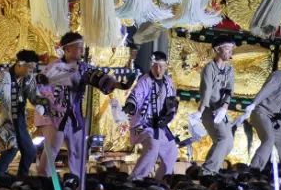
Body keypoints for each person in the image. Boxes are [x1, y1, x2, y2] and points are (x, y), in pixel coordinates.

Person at [36, 32, 116, 178]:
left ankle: (77, 182)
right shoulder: (54, 67)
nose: (81, 50)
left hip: (74, 116)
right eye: (78, 47)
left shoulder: (83, 67)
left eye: (82, 47)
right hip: (55, 117)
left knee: (79, 150)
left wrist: (112, 82)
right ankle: (42, 181)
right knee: (52, 148)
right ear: (67, 49)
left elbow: (97, 76)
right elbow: (41, 88)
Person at [0, 50, 48, 176]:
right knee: (11, 148)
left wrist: (43, 104)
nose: (31, 71)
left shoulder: (29, 78)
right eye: (29, 68)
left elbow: (33, 96)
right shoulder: (3, 76)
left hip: (20, 120)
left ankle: (21, 180)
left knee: (30, 151)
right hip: (3, 120)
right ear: (20, 64)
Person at [124, 52, 179, 180]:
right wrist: (130, 106)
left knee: (172, 151)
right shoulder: (145, 81)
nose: (158, 69)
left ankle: (161, 180)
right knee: (153, 145)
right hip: (141, 126)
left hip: (159, 126)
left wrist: (168, 116)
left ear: (166, 66)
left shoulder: (168, 82)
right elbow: (135, 96)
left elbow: (172, 102)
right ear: (150, 66)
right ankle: (136, 179)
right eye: (155, 66)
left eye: (161, 66)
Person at [193, 35, 235, 175]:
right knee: (222, 139)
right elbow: (207, 91)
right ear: (217, 49)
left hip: (221, 110)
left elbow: (230, 90)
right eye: (227, 48)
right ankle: (207, 172)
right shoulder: (209, 69)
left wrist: (224, 107)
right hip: (210, 110)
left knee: (228, 144)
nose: (230, 52)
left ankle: (211, 168)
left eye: (231, 49)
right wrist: (201, 110)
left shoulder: (229, 69)